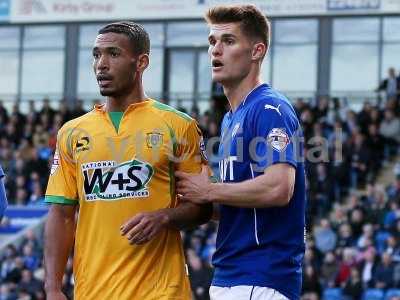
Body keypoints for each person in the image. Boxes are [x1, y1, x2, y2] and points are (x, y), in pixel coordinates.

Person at [44, 21, 212, 300]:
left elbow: (203, 206)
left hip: (161, 292)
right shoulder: (72, 133)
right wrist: (52, 287)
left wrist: (165, 217)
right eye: (97, 55)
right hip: (93, 291)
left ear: (141, 62)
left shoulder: (178, 125)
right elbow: (61, 214)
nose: (101, 64)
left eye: (113, 53)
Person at [175, 4, 306, 300]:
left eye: (228, 41)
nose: (215, 50)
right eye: (212, 42)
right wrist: (184, 197)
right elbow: (239, 204)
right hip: (233, 275)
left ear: (257, 51)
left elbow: (278, 188)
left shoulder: (269, 108)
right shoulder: (231, 118)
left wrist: (209, 191)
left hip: (260, 277)